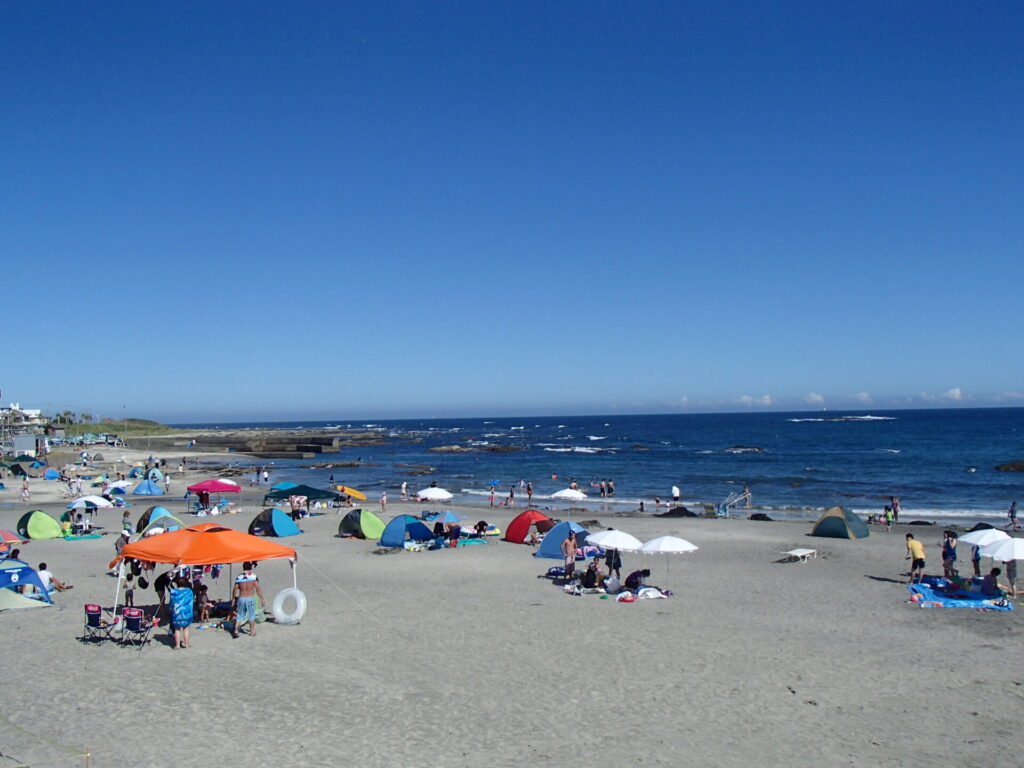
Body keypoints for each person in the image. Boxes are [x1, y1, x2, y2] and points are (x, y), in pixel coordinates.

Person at [231, 561, 265, 638]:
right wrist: (262, 599)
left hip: (241, 598)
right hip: (250, 598)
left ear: (243, 567)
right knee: (251, 615)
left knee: (239, 615)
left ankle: (236, 630)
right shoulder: (253, 576)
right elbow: (258, 589)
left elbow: (235, 589)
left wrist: (233, 598)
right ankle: (252, 631)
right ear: (251, 567)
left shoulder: (239, 577)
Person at [169, 577, 194, 650]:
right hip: (187, 613)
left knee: (177, 629)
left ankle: (177, 645)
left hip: (177, 613)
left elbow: (172, 602)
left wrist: (170, 609)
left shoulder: (173, 592)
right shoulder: (189, 591)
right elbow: (191, 600)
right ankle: (186, 644)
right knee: (186, 629)